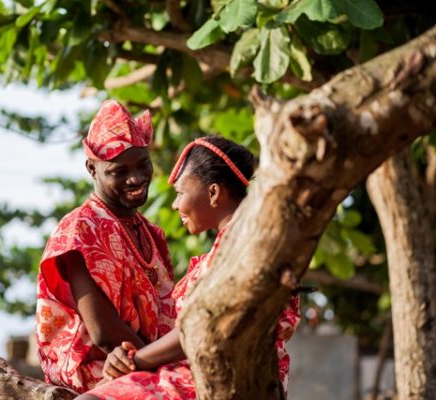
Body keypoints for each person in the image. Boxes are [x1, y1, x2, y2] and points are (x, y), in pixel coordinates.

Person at [77, 136, 301, 400]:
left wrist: (136, 360)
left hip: (222, 380)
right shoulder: (241, 244)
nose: (174, 204)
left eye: (181, 193)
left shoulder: (245, 248)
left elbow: (204, 329)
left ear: (213, 192)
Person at [35, 100, 176, 393]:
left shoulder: (150, 232)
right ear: (92, 169)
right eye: (118, 171)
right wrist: (163, 366)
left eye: (142, 164)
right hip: (102, 373)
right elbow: (102, 332)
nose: (136, 178)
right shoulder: (80, 229)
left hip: (144, 364)